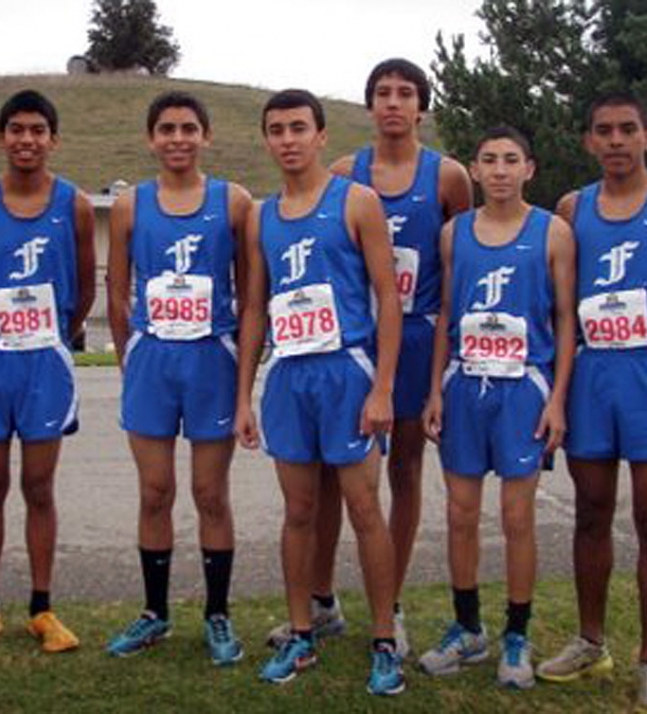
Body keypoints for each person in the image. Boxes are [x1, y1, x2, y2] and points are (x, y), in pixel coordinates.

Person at [265, 58, 474, 655]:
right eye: (382, 92)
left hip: (414, 337)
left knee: (404, 472)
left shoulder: (448, 177)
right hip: (351, 340)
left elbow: (464, 256)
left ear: (421, 107)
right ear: (368, 105)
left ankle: (394, 603)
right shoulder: (342, 174)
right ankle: (324, 600)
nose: (393, 103)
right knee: (330, 477)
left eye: (405, 93)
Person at [536, 92, 647, 713]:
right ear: (589, 141)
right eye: (603, 131)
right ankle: (591, 640)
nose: (616, 141)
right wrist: (552, 394)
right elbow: (558, 309)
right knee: (590, 512)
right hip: (591, 374)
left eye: (627, 130)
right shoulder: (571, 209)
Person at [235, 89, 405, 695]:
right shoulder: (261, 215)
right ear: (267, 139)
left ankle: (386, 637)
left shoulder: (357, 201)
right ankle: (303, 632)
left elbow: (389, 296)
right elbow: (254, 306)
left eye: (298, 128)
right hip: (290, 376)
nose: (288, 139)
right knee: (299, 511)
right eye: (276, 129)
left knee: (364, 510)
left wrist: (383, 387)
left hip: (348, 371)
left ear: (321, 135)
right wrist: (243, 396)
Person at [418, 126, 576, 689]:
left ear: (529, 169)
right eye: (490, 160)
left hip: (523, 388)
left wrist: (557, 400)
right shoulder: (454, 233)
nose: (501, 170)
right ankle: (468, 628)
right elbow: (444, 314)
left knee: (516, 518)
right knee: (460, 514)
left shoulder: (553, 232)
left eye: (512, 160)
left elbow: (564, 321)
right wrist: (435, 388)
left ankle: (517, 633)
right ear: (476, 171)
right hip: (465, 385)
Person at [104, 91, 251, 665]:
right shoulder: (129, 206)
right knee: (154, 491)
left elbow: (251, 290)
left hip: (212, 357)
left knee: (210, 493)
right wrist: (129, 356)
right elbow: (117, 292)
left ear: (206, 136)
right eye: (166, 129)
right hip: (153, 359)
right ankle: (155, 613)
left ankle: (217, 614)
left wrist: (243, 370)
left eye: (189, 128)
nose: (178, 138)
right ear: (150, 138)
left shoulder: (233, 202)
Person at [0, 90, 96, 655]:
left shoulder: (75, 205)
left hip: (45, 361)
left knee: (39, 486)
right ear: (1, 137)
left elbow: (83, 290)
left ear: (53, 139)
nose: (27, 139)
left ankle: (42, 608)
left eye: (37, 130)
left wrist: (54, 330)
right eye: (16, 129)